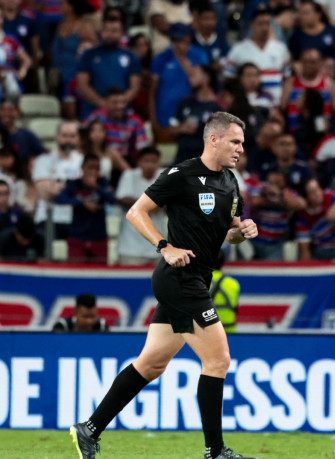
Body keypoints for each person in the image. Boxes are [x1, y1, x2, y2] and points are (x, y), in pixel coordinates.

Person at [69, 112, 258, 459]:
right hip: (180, 280)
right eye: (234, 141)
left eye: (242, 143)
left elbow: (227, 232)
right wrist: (164, 246)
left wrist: (241, 230)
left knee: (152, 364)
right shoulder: (181, 175)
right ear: (212, 139)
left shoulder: (230, 182)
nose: (240, 149)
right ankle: (215, 451)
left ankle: (89, 429)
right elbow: (136, 212)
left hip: (197, 277)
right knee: (219, 360)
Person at [76, 14, 141, 119]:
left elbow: (135, 87)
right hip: (93, 112)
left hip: (122, 113)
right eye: (106, 30)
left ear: (121, 33)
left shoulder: (131, 57)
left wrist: (117, 105)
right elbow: (83, 85)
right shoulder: (88, 55)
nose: (110, 34)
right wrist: (102, 103)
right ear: (101, 32)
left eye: (114, 31)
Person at [55, 154, 117, 264]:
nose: (93, 171)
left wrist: (96, 187)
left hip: (99, 237)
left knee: (99, 274)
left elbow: (113, 200)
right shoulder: (74, 184)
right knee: (76, 274)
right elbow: (60, 199)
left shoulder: (103, 183)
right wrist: (82, 203)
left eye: (96, 168)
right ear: (83, 167)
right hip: (77, 237)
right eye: (90, 167)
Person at [224, 8, 291, 107]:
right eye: (260, 23)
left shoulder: (281, 49)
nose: (264, 28)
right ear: (252, 25)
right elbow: (228, 80)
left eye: (267, 23)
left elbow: (288, 78)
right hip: (247, 106)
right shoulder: (238, 50)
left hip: (276, 106)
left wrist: (283, 102)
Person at [150, 23, 209, 129]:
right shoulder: (161, 58)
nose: (180, 44)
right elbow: (152, 92)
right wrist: (154, 121)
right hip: (165, 114)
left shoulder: (199, 56)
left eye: (184, 40)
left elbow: (200, 84)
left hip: (191, 114)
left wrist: (182, 59)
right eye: (176, 40)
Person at [116, 147, 165, 265]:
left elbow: (170, 201)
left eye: (154, 161)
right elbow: (122, 199)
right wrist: (152, 205)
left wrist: (141, 206)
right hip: (130, 248)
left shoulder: (165, 175)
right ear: (139, 163)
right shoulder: (129, 175)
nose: (150, 165)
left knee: (159, 283)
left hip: (158, 248)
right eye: (146, 161)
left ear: (159, 163)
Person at [169, 65, 224, 164]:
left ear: (206, 78)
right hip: (181, 161)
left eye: (194, 75)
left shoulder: (219, 108)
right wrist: (182, 128)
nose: (190, 79)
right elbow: (171, 130)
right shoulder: (185, 102)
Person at [84, 87, 150, 166]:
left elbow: (142, 148)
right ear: (106, 103)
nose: (120, 106)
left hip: (127, 159)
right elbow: (81, 135)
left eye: (123, 102)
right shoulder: (97, 116)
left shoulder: (134, 120)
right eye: (115, 103)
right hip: (100, 158)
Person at [296, 178, 335, 260]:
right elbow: (305, 250)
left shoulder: (328, 195)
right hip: (319, 252)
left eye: (318, 188)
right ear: (306, 197)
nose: (318, 193)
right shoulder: (303, 218)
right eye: (312, 192)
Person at [210, 250, 240, 333]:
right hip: (229, 331)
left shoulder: (198, 282)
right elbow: (235, 308)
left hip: (207, 332)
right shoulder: (233, 284)